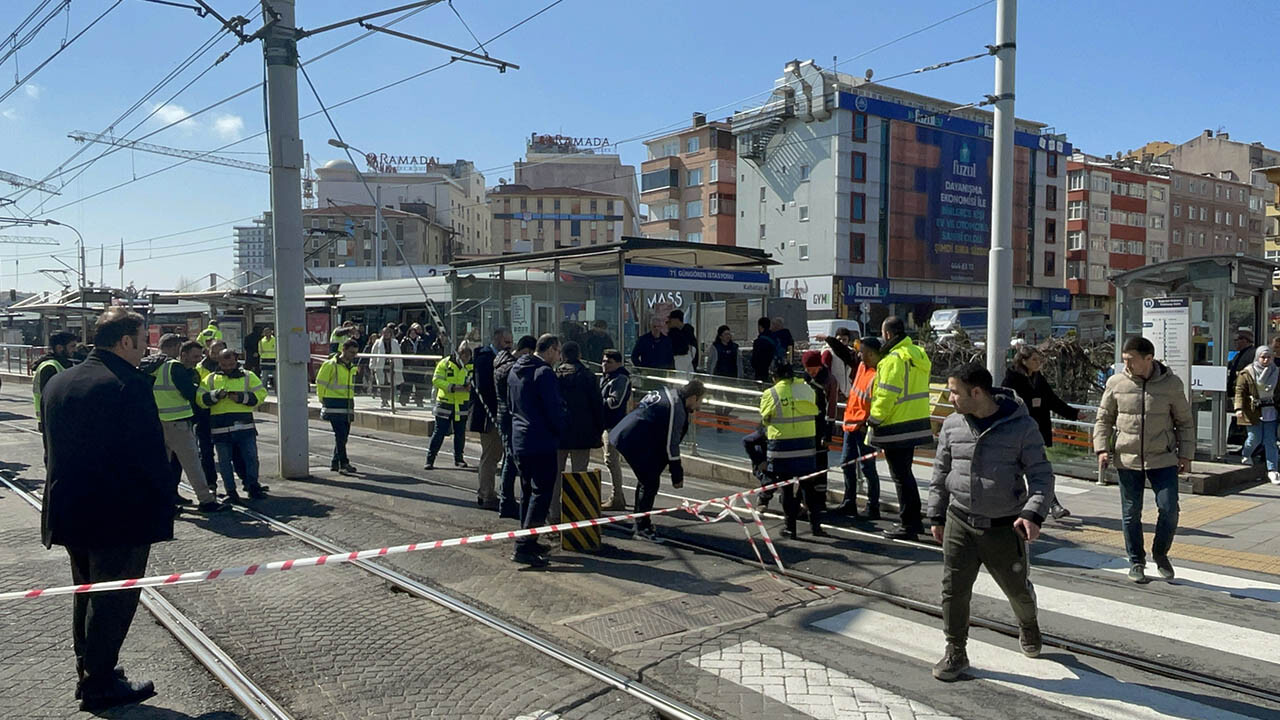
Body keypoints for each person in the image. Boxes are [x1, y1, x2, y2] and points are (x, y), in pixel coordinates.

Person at [40, 308, 170, 710]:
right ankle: (99, 683)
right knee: (113, 598)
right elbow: (149, 455)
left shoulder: (58, 381)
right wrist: (163, 503)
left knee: (85, 591)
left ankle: (90, 667)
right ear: (126, 341)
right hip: (118, 514)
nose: (146, 345)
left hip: (68, 507)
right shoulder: (128, 384)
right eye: (143, 337)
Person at [928, 363, 1053, 682]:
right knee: (953, 589)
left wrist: (1032, 512)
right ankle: (955, 650)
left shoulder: (1021, 426)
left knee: (1017, 591)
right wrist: (936, 514)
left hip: (1004, 525)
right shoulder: (952, 425)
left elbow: (1040, 475)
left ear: (977, 392)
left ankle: (1028, 625)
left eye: (954, 391)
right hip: (960, 520)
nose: (950, 397)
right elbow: (940, 473)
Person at [1094, 336, 1195, 584]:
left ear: (1148, 358)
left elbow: (1184, 422)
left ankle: (1160, 553)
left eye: (1130, 360)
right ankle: (1136, 561)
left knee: (1169, 508)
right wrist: (1101, 449)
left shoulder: (1171, 384)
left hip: (1163, 457)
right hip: (1127, 458)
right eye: (1124, 359)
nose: (1125, 364)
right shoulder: (1116, 383)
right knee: (1131, 512)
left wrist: (1186, 455)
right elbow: (1104, 419)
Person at [611, 380, 705, 543]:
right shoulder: (676, 408)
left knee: (647, 480)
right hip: (633, 439)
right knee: (650, 482)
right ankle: (642, 528)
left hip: (627, 433)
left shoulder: (669, 393)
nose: (699, 407)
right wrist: (677, 473)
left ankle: (640, 522)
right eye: (700, 402)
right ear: (694, 397)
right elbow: (671, 443)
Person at [140, 335, 224, 512]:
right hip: (178, 423)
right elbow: (191, 394)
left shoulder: (156, 367)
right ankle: (206, 500)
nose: (197, 361)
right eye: (195, 357)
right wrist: (213, 396)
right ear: (181, 351)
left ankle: (164, 502)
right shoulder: (175, 367)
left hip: (159, 422)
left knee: (161, 466)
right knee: (193, 463)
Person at [867, 317, 932, 540]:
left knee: (901, 477)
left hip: (896, 425)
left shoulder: (893, 359)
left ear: (887, 334)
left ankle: (909, 524)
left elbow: (886, 394)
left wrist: (874, 419)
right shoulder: (917, 354)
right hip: (916, 421)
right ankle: (914, 521)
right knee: (906, 475)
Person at [509, 334, 567, 566]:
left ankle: (529, 540)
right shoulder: (544, 373)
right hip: (540, 440)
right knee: (542, 493)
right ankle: (524, 546)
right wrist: (562, 427)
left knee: (527, 492)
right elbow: (553, 409)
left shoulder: (516, 369)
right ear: (551, 350)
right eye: (558, 352)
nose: (559, 357)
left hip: (520, 439)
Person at [1003, 346, 1079, 520]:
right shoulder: (1012, 380)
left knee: (1039, 469)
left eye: (1039, 360)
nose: (1038, 363)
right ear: (1023, 361)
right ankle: (1032, 505)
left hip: (1037, 431)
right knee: (1020, 471)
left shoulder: (1038, 379)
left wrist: (1073, 414)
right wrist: (1031, 403)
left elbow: (1052, 400)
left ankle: (1052, 505)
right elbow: (1009, 405)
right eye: (1034, 360)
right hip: (1018, 433)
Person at [752, 360, 823, 539]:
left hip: (782, 449)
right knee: (809, 487)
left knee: (786, 489)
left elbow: (765, 418)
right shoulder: (807, 389)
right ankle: (816, 526)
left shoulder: (771, 393)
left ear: (774, 376)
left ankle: (790, 528)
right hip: (806, 447)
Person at [197, 349, 269, 502]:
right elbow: (200, 400)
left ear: (236, 361)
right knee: (224, 462)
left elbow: (261, 394)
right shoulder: (210, 379)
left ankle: (253, 487)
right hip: (221, 428)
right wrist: (215, 395)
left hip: (245, 427)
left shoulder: (248, 376)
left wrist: (241, 398)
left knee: (251, 458)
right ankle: (231, 492)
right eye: (224, 364)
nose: (228, 367)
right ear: (219, 363)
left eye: (231, 364)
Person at [825, 335, 881, 519]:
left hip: (863, 425)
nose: (858, 355)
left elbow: (878, 402)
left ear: (871, 354)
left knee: (867, 467)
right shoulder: (862, 366)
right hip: (851, 423)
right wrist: (829, 339)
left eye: (862, 352)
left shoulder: (877, 373)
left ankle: (873, 506)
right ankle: (849, 503)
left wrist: (869, 423)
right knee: (846, 463)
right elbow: (845, 353)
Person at [470, 328, 512, 510]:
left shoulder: (504, 358)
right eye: (506, 342)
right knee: (491, 455)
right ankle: (486, 494)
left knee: (497, 454)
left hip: (500, 414)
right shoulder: (485, 359)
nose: (509, 346)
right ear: (497, 340)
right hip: (489, 416)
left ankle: (490, 492)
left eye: (511, 342)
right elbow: (485, 388)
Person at [495, 335, 535, 519]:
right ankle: (507, 501)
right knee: (511, 460)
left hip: (504, 415)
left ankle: (506, 500)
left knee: (509, 459)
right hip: (511, 417)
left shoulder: (501, 362)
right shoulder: (513, 368)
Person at [1236, 345, 1280, 484]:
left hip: (1271, 410)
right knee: (1254, 438)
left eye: (1268, 357)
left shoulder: (1277, 372)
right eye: (1263, 357)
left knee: (1270, 441)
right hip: (1253, 411)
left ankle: (1273, 469)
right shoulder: (1247, 372)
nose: (1266, 360)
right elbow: (1240, 391)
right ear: (1257, 357)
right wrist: (1238, 408)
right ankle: (1246, 454)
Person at [425, 342, 473, 470]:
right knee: (439, 431)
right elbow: (436, 380)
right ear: (459, 353)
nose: (465, 359)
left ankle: (459, 458)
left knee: (460, 432)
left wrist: (470, 387)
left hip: (462, 403)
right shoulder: (445, 363)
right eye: (464, 355)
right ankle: (430, 459)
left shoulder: (471, 366)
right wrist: (452, 387)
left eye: (468, 356)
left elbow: (475, 382)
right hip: (445, 401)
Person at [317, 339, 359, 473]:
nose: (354, 355)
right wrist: (322, 399)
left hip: (347, 403)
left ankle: (335, 462)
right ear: (344, 350)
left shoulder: (352, 367)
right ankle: (344, 462)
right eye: (351, 352)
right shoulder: (330, 365)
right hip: (333, 403)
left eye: (355, 353)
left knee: (344, 435)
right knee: (340, 434)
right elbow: (320, 382)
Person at [600, 348, 633, 510]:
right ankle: (617, 496)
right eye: (604, 361)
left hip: (615, 424)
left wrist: (596, 401)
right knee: (610, 460)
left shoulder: (620, 379)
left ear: (618, 363)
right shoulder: (606, 378)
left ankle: (617, 497)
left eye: (609, 362)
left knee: (611, 460)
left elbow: (615, 402)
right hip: (606, 423)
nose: (605, 365)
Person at [31, 330, 79, 433]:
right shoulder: (49, 367)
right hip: (53, 419)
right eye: (72, 346)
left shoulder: (65, 364)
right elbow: (50, 398)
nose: (75, 350)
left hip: (61, 418)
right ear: (59, 348)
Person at [369, 326, 403, 408]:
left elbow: (399, 354)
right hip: (381, 365)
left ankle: (388, 399)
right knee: (382, 384)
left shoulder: (395, 342)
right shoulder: (378, 343)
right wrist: (372, 366)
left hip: (392, 366)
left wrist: (399, 366)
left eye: (388, 333)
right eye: (384, 333)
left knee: (390, 383)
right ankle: (383, 400)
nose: (386, 334)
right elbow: (373, 355)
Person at [399, 323, 430, 407]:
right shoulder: (404, 342)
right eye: (411, 333)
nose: (413, 334)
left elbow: (425, 352)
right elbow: (402, 353)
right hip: (408, 366)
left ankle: (419, 400)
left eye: (414, 333)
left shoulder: (421, 341)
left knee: (419, 385)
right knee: (407, 384)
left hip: (419, 366)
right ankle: (403, 400)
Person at [820, 327, 854, 401]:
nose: (841, 342)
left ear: (848, 341)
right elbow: (824, 373)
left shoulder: (850, 353)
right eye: (839, 339)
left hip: (847, 392)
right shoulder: (828, 352)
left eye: (844, 340)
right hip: (833, 392)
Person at [751, 317, 780, 383]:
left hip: (761, 372)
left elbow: (755, 360)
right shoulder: (775, 338)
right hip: (774, 369)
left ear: (760, 327)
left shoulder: (759, 341)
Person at [257, 326, 277, 391]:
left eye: (268, 332)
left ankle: (278, 392)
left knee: (276, 378)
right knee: (264, 378)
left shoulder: (276, 340)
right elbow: (260, 351)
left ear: (271, 332)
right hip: (264, 361)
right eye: (265, 332)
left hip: (274, 360)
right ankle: (264, 392)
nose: (267, 333)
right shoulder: (261, 341)